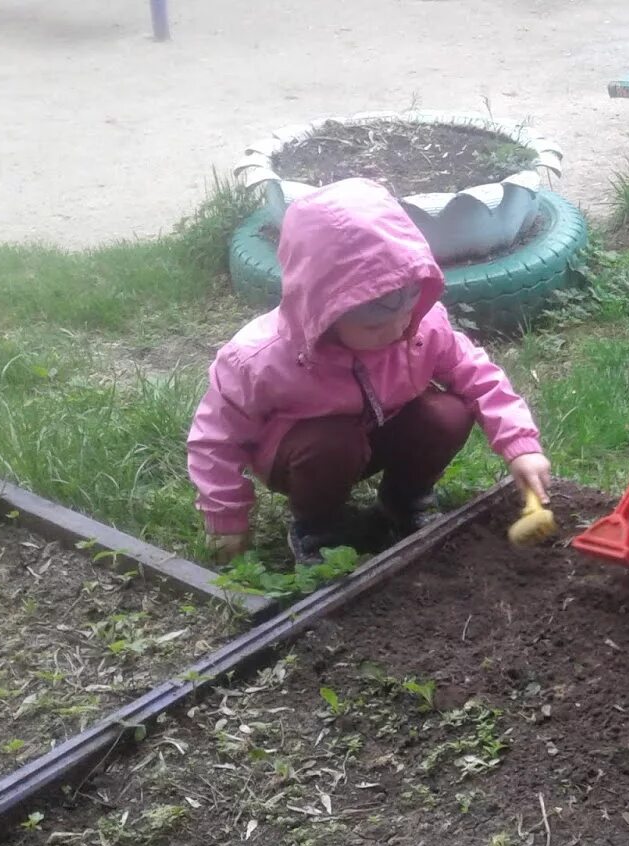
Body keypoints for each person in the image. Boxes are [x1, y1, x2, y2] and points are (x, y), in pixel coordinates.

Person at [187, 178, 551, 565]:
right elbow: (215, 439)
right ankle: (319, 527)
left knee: (449, 413)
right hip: (308, 455)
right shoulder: (258, 360)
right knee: (331, 442)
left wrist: (520, 446)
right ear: (325, 314)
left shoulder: (422, 327)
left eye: (406, 313)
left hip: (379, 433)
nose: (398, 330)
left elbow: (479, 376)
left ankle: (404, 500)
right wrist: (225, 518)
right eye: (374, 327)